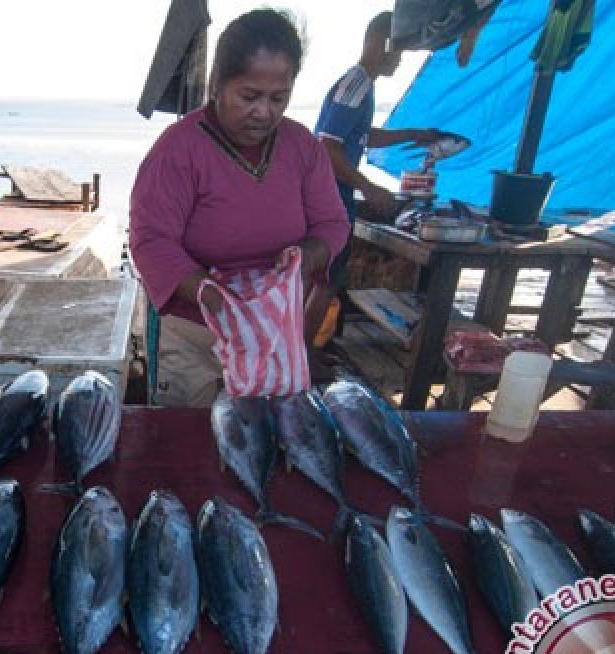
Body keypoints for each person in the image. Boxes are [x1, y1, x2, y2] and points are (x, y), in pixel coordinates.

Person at [129, 8, 351, 407]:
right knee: (194, 452)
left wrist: (305, 258)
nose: (264, 111)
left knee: (268, 448)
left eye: (278, 98)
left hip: (277, 332)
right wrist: (216, 299)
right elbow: (150, 242)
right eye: (249, 96)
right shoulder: (178, 150)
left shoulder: (303, 148)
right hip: (198, 334)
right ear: (217, 84)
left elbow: (332, 224)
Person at [306, 11, 442, 343]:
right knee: (325, 282)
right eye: (399, 51)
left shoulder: (361, 87)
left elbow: (362, 135)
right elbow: (327, 146)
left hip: (333, 199)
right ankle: (303, 356)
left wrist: (412, 133)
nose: (399, 61)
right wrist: (369, 188)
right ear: (385, 45)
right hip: (329, 202)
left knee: (323, 281)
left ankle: (305, 351)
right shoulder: (357, 84)